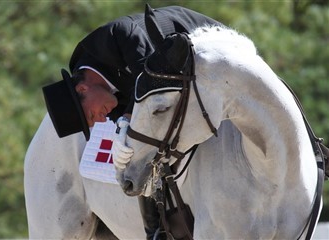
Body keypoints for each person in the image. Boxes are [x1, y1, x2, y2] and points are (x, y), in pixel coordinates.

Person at [40, 4, 222, 239]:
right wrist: (122, 127)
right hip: (185, 75)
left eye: (91, 116)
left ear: (83, 87)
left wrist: (128, 121)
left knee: (150, 137)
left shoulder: (121, 38)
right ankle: (155, 230)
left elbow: (154, 86)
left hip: (211, 53)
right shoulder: (101, 87)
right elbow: (126, 106)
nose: (101, 118)